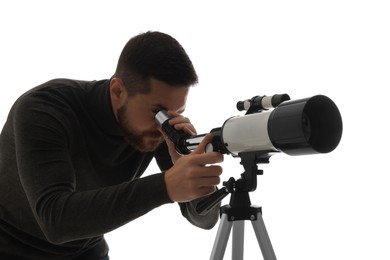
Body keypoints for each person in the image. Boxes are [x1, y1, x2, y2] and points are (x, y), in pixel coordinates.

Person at [0, 31, 224, 259]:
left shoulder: (154, 129)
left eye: (178, 112)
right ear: (118, 91)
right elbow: (56, 221)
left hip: (86, 251)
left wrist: (195, 178)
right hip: (12, 247)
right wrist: (165, 186)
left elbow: (204, 219)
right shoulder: (43, 109)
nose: (164, 126)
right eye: (158, 113)